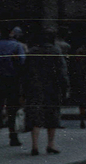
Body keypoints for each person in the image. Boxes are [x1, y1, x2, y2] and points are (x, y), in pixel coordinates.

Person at [22, 27, 68, 156]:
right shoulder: (56, 51)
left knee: (35, 116)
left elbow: (24, 72)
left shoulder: (31, 52)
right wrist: (65, 88)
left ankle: (35, 145)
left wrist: (24, 90)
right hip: (53, 88)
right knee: (52, 115)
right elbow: (62, 72)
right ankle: (50, 144)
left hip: (34, 88)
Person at [0, 26, 27, 149]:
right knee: (12, 110)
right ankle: (13, 136)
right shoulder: (17, 46)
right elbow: (22, 61)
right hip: (12, 79)